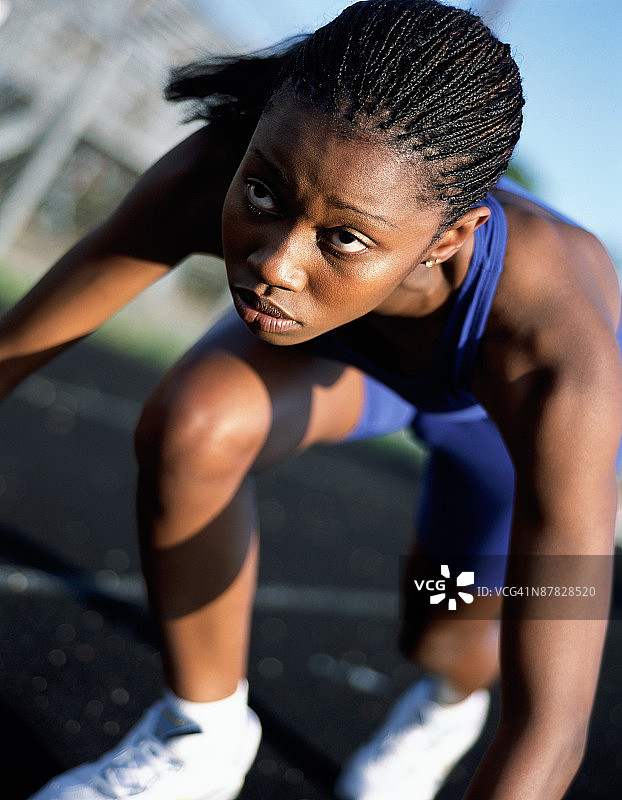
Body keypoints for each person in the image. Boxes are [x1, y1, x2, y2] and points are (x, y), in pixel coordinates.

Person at [1, 1, 620, 798]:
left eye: (344, 239)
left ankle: (446, 703)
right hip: (350, 363)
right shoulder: (219, 174)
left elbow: (552, 724)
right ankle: (201, 736)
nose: (275, 264)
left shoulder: (557, 356)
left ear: (448, 239)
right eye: (263, 195)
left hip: (493, 430)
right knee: (194, 423)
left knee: (439, 627)